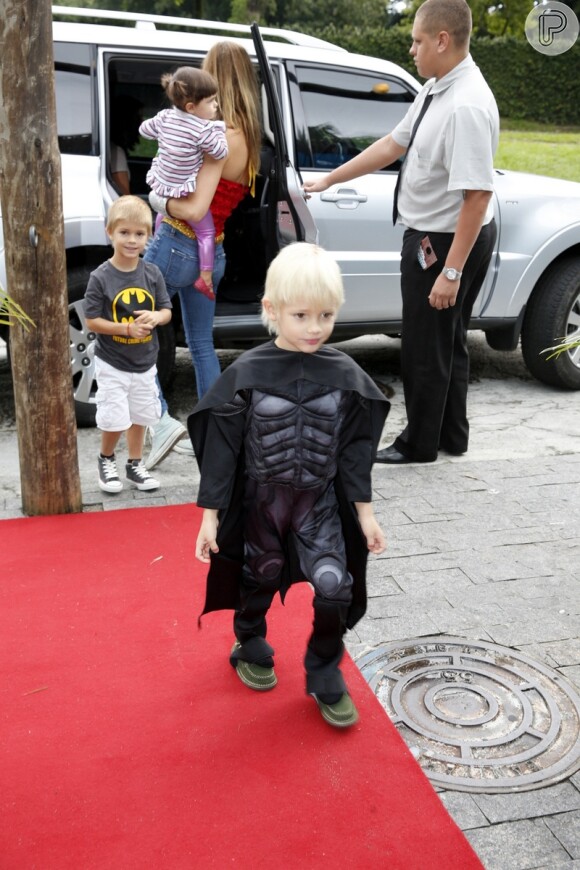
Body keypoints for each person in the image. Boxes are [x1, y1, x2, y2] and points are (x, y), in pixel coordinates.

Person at [190, 243, 390, 729]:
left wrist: (365, 514)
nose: (315, 327)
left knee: (334, 587)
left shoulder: (344, 376)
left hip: (317, 504)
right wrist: (210, 516)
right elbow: (223, 450)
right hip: (261, 502)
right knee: (260, 574)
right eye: (301, 315)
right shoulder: (247, 375)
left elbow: (354, 450)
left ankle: (323, 668)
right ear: (272, 311)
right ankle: (250, 637)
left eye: (326, 315)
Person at [303, 0, 499, 465]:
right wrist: (332, 179)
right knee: (446, 342)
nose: (411, 49)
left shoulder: (466, 105)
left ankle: (419, 445)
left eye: (416, 40)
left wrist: (450, 273)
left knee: (424, 346)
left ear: (442, 40)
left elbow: (477, 196)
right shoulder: (438, 88)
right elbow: (394, 143)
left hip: (447, 240)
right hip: (442, 234)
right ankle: (451, 436)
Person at [143, 41, 262, 471]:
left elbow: (194, 209)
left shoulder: (220, 138)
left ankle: (159, 423)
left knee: (131, 334)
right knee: (200, 343)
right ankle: (215, 436)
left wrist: (155, 199)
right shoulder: (247, 136)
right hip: (216, 250)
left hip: (177, 241)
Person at [84, 195, 172, 494]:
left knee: (140, 414)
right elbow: (92, 320)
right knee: (114, 416)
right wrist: (125, 328)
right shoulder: (100, 277)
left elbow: (166, 311)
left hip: (146, 361)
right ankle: (106, 458)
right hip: (113, 362)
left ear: (149, 236)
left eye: (139, 234)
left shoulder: (152, 273)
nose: (132, 240)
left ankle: (135, 464)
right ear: (110, 233)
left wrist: (156, 317)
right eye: (124, 233)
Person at [140, 67, 229, 301]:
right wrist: (219, 130)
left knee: (163, 217)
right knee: (207, 231)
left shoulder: (164, 117)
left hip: (162, 184)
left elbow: (144, 129)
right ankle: (206, 277)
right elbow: (221, 152)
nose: (216, 106)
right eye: (210, 102)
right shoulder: (202, 130)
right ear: (191, 108)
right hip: (184, 191)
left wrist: (164, 134)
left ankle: (157, 242)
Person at [110, 94, 144, 196]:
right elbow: (125, 197)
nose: (142, 122)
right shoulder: (116, 153)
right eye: (139, 118)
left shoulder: (114, 150)